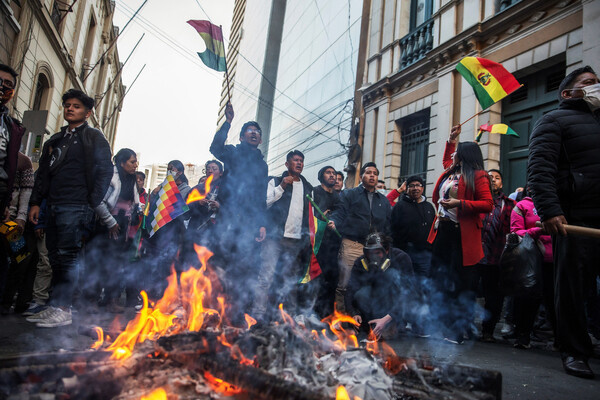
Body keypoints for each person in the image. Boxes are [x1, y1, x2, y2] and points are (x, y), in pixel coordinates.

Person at [527, 65, 600, 379]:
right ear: (568, 92)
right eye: (589, 83)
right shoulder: (553, 120)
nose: (596, 86)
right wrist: (550, 211)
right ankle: (574, 350)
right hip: (574, 219)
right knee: (572, 288)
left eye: (598, 82)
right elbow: (540, 169)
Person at [27, 89, 113, 328]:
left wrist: (92, 200)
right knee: (54, 256)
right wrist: (36, 202)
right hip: (53, 205)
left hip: (77, 206)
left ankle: (64, 309)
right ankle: (55, 304)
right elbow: (42, 175)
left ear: (87, 113)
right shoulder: (55, 139)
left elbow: (105, 170)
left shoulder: (94, 137)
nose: (70, 109)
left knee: (68, 257)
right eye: (67, 105)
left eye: (76, 106)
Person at [428, 125, 493, 344]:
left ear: (465, 157)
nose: (453, 156)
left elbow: (487, 204)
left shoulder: (478, 175)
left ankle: (458, 330)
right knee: (441, 281)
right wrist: (451, 139)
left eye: (457, 153)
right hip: (443, 232)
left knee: (460, 284)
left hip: (462, 237)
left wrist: (460, 203)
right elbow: (447, 159)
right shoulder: (451, 171)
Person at [209, 102, 268, 320]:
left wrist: (262, 223)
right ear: (242, 137)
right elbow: (215, 148)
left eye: (257, 133)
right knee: (224, 262)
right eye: (250, 131)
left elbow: (261, 196)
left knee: (248, 266)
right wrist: (228, 122)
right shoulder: (233, 153)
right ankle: (218, 308)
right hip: (229, 218)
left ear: (260, 140)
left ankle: (240, 313)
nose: (254, 134)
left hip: (250, 222)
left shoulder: (262, 165)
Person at [253, 150, 313, 320]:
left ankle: (290, 316)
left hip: (295, 241)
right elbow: (265, 203)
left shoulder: (307, 187)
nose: (299, 163)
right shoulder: (275, 181)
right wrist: (282, 186)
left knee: (290, 280)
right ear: (287, 164)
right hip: (275, 237)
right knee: (266, 276)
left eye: (301, 160)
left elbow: (309, 214)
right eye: (295, 160)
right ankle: (257, 315)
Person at [328, 162, 392, 312]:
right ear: (361, 176)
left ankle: (363, 321)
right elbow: (340, 212)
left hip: (375, 249)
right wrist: (334, 221)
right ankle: (342, 321)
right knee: (345, 283)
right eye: (368, 172)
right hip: (352, 244)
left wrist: (387, 246)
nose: (372, 176)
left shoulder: (383, 201)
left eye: (375, 173)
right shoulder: (350, 194)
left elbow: (388, 225)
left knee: (369, 284)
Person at [89, 148, 140, 313]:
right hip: (106, 225)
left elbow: (135, 202)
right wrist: (110, 222)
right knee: (99, 263)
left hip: (123, 225)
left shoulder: (131, 179)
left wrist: (138, 211)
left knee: (116, 264)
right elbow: (98, 202)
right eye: (132, 162)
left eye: (135, 162)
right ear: (122, 162)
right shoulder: (109, 176)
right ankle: (91, 301)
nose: (135, 165)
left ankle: (111, 300)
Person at [345, 232, 417, 339]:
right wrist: (353, 313)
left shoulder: (401, 258)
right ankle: (369, 324)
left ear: (386, 250)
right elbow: (350, 289)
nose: (374, 257)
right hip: (374, 302)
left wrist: (387, 318)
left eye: (378, 253)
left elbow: (409, 293)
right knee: (361, 294)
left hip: (393, 306)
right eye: (370, 253)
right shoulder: (361, 262)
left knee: (391, 275)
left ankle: (394, 324)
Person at [510, 186, 555, 349]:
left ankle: (562, 341)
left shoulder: (557, 206)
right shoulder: (522, 206)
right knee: (529, 299)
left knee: (556, 300)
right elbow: (516, 232)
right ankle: (523, 336)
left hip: (555, 260)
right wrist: (538, 230)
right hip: (531, 260)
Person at [478, 169, 514, 342]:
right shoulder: (475, 200)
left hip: (495, 257)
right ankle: (463, 329)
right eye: (489, 177)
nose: (493, 180)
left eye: (497, 178)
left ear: (502, 183)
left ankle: (488, 331)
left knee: (494, 297)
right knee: (468, 293)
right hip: (474, 256)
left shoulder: (509, 205)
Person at [0, 64, 25, 301]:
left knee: (18, 254)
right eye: (0, 81)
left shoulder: (11, 127)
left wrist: (18, 215)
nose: (3, 88)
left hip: (6, 214)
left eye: (8, 85)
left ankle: (7, 301)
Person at [1, 152, 35, 314]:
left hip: (10, 223)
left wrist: (21, 217)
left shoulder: (24, 161)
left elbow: (27, 191)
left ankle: (6, 302)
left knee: (21, 258)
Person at [390, 175, 435, 278]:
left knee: (424, 284)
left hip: (425, 255)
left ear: (422, 188)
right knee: (405, 283)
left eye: (418, 185)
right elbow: (392, 230)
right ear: (407, 189)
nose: (415, 188)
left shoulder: (429, 207)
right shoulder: (399, 207)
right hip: (405, 253)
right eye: (412, 186)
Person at [312, 165, 342, 317]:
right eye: (328, 172)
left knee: (332, 279)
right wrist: (320, 216)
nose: (332, 175)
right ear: (321, 175)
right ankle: (312, 312)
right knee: (316, 280)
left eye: (334, 173)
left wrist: (334, 219)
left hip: (333, 245)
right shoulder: (315, 192)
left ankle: (327, 315)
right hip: (317, 244)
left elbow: (340, 213)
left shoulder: (338, 196)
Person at [187, 160, 223, 255]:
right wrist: (198, 203)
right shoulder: (197, 189)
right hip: (196, 231)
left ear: (221, 173)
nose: (210, 171)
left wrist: (220, 206)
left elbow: (234, 209)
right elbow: (184, 210)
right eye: (208, 169)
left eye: (214, 169)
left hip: (218, 233)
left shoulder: (227, 189)